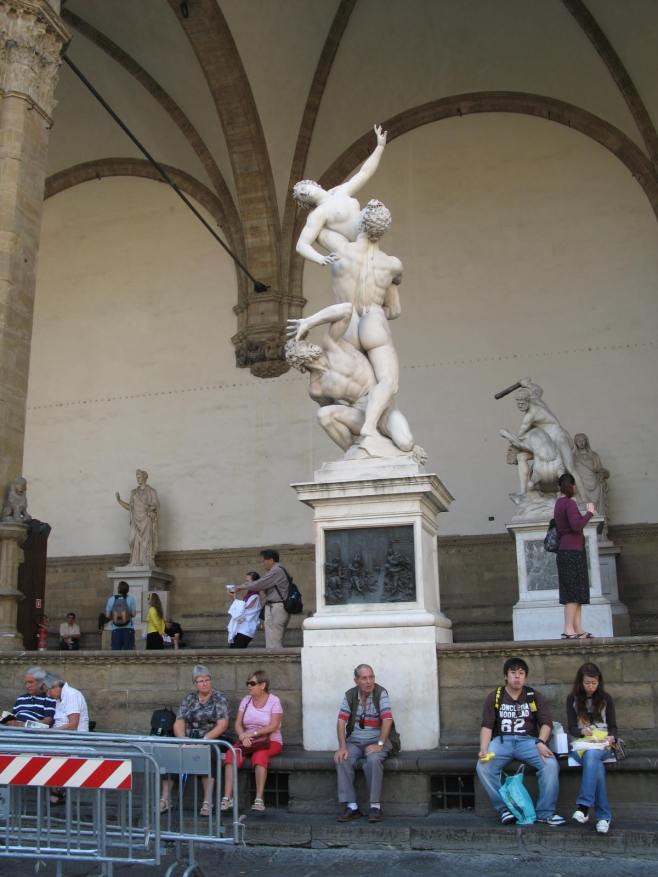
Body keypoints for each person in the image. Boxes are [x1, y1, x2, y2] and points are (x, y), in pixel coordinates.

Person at [476, 657, 565, 826]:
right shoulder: (495, 696)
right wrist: (483, 748)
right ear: (506, 676)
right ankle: (504, 809)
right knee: (483, 767)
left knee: (550, 764)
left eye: (521, 673)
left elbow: (546, 724)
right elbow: (487, 726)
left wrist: (541, 742)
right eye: (513, 673)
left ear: (525, 676)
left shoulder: (533, 696)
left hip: (528, 741)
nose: (517, 676)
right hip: (502, 741)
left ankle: (545, 813)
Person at [293, 124, 387, 266]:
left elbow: (364, 173)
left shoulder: (340, 191)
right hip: (353, 247)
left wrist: (379, 147)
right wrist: (320, 258)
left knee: (375, 206)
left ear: (313, 184)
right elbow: (301, 245)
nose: (304, 192)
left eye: (304, 188)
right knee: (321, 235)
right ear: (305, 202)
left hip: (370, 235)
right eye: (302, 195)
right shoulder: (318, 213)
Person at [160, 664, 229, 816]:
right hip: (190, 737)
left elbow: (222, 724)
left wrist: (205, 740)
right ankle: (165, 800)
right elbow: (179, 721)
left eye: (207, 680)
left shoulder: (219, 698)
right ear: (195, 683)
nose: (205, 683)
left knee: (207, 754)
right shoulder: (190, 698)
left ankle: (207, 801)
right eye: (201, 681)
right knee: (170, 753)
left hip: (211, 738)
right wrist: (182, 739)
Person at [334, 664, 396, 823]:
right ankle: (352, 806)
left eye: (371, 677)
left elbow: (387, 720)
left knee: (373, 760)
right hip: (355, 741)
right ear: (356, 680)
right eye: (364, 678)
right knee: (342, 759)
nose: (369, 681)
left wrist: (380, 744)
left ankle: (375, 806)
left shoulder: (380, 693)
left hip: (378, 739)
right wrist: (342, 747)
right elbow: (341, 721)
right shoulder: (350, 695)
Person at [221, 669, 284, 813]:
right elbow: (238, 723)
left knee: (260, 755)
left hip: (269, 740)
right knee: (232, 754)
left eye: (252, 683)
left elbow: (274, 726)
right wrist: (243, 736)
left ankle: (259, 799)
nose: (249, 686)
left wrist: (254, 734)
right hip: (247, 739)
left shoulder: (274, 701)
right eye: (248, 683)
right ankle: (227, 797)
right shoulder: (246, 700)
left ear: (263, 685)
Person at [567, 662, 617, 834]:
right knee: (595, 764)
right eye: (587, 683)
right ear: (580, 682)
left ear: (599, 682)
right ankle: (603, 817)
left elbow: (613, 727)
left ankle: (584, 807)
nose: (591, 687)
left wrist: (611, 737)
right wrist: (582, 731)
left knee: (593, 756)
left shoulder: (606, 698)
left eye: (594, 683)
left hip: (602, 744)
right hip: (581, 744)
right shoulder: (572, 699)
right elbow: (571, 727)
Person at [554, 472, 596, 639]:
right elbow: (576, 526)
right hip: (573, 551)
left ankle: (578, 628)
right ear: (572, 486)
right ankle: (568, 629)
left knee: (575, 591)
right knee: (573, 592)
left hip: (565, 550)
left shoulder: (559, 503)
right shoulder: (569, 504)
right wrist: (589, 513)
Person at [234, 549, 289, 649]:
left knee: (275, 639)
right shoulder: (276, 570)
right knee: (271, 639)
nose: (262, 563)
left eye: (264, 560)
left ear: (271, 560)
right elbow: (263, 584)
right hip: (273, 606)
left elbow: (260, 583)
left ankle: (276, 658)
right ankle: (273, 657)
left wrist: (241, 587)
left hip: (277, 607)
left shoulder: (277, 570)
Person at [115, 469, 160, 567]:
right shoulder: (134, 493)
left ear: (144, 477)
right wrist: (119, 501)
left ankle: (146, 561)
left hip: (146, 520)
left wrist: (151, 509)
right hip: (135, 521)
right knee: (132, 539)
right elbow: (130, 508)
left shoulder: (151, 491)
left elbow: (156, 505)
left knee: (146, 541)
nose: (138, 479)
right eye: (137, 477)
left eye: (139, 477)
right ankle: (135, 561)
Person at [573, 433, 610, 539]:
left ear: (586, 441)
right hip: (582, 488)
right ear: (575, 443)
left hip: (595, 486)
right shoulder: (573, 457)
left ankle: (601, 534)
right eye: (578, 441)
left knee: (598, 510)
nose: (581, 442)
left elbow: (600, 469)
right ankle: (587, 534)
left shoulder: (593, 455)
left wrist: (603, 473)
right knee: (586, 509)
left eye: (583, 440)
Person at [227, 572, 261, 648]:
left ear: (254, 583)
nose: (246, 583)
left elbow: (242, 611)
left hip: (245, 631)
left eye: (248, 581)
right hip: (241, 630)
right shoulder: (249, 595)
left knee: (235, 652)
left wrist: (234, 597)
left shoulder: (255, 596)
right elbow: (241, 609)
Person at [105, 581, 137, 650]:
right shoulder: (131, 599)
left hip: (115, 628)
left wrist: (115, 616)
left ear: (118, 589)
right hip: (128, 628)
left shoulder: (111, 599)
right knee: (128, 653)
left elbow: (107, 615)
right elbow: (134, 614)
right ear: (127, 589)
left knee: (116, 653)